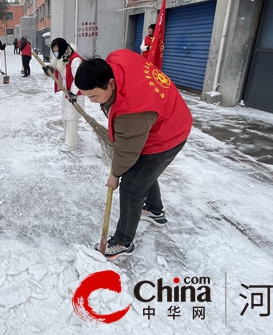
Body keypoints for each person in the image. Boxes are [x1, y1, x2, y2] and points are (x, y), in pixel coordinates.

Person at [74, 50, 192, 259]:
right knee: (144, 173)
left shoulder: (131, 110)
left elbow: (127, 152)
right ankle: (155, 211)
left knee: (131, 186)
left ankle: (123, 242)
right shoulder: (118, 58)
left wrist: (115, 176)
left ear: (111, 83)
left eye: (94, 96)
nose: (92, 101)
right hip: (169, 116)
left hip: (166, 136)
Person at [43, 38, 85, 151]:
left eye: (57, 50)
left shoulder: (75, 60)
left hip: (75, 91)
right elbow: (58, 71)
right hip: (67, 89)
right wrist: (49, 70)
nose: (56, 52)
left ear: (62, 48)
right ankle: (67, 134)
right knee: (65, 112)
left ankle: (72, 143)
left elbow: (79, 78)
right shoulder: (62, 57)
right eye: (54, 51)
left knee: (71, 116)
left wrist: (73, 93)